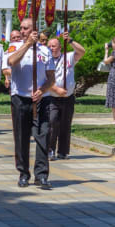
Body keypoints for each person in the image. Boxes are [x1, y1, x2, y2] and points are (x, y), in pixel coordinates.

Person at [7, 18, 55, 189]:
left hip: (41, 99)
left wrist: (42, 90)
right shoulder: (15, 46)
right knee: (21, 137)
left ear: (35, 30)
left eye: (25, 28)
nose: (22, 31)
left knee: (43, 135)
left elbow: (51, 78)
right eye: (21, 28)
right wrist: (27, 44)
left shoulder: (45, 51)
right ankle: (23, 173)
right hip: (20, 97)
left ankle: (41, 175)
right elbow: (11, 62)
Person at [47, 32, 85, 160]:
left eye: (54, 46)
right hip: (53, 97)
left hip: (68, 97)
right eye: (49, 46)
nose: (51, 48)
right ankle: (50, 150)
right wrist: (56, 89)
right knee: (52, 123)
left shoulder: (68, 57)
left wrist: (70, 41)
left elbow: (82, 51)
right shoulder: (46, 60)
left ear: (60, 47)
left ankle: (63, 151)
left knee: (65, 124)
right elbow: (43, 80)